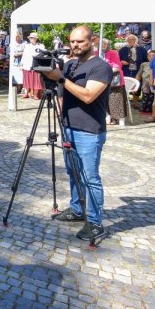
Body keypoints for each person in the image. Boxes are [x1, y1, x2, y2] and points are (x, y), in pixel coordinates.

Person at [39, 26, 109, 242]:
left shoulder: (101, 67)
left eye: (80, 41)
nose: (75, 45)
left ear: (92, 41)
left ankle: (96, 222)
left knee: (90, 178)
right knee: (73, 172)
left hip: (89, 129)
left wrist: (60, 78)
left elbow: (88, 95)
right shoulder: (69, 65)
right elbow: (61, 90)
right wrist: (47, 75)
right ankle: (77, 209)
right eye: (72, 41)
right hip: (68, 126)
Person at [20, 32, 45, 100]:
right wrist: (21, 64)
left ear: (36, 39)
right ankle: (26, 93)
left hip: (36, 65)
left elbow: (43, 55)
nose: (31, 39)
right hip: (27, 65)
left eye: (32, 38)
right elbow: (24, 55)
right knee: (27, 79)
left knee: (36, 80)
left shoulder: (41, 46)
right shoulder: (27, 45)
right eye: (30, 38)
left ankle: (36, 94)